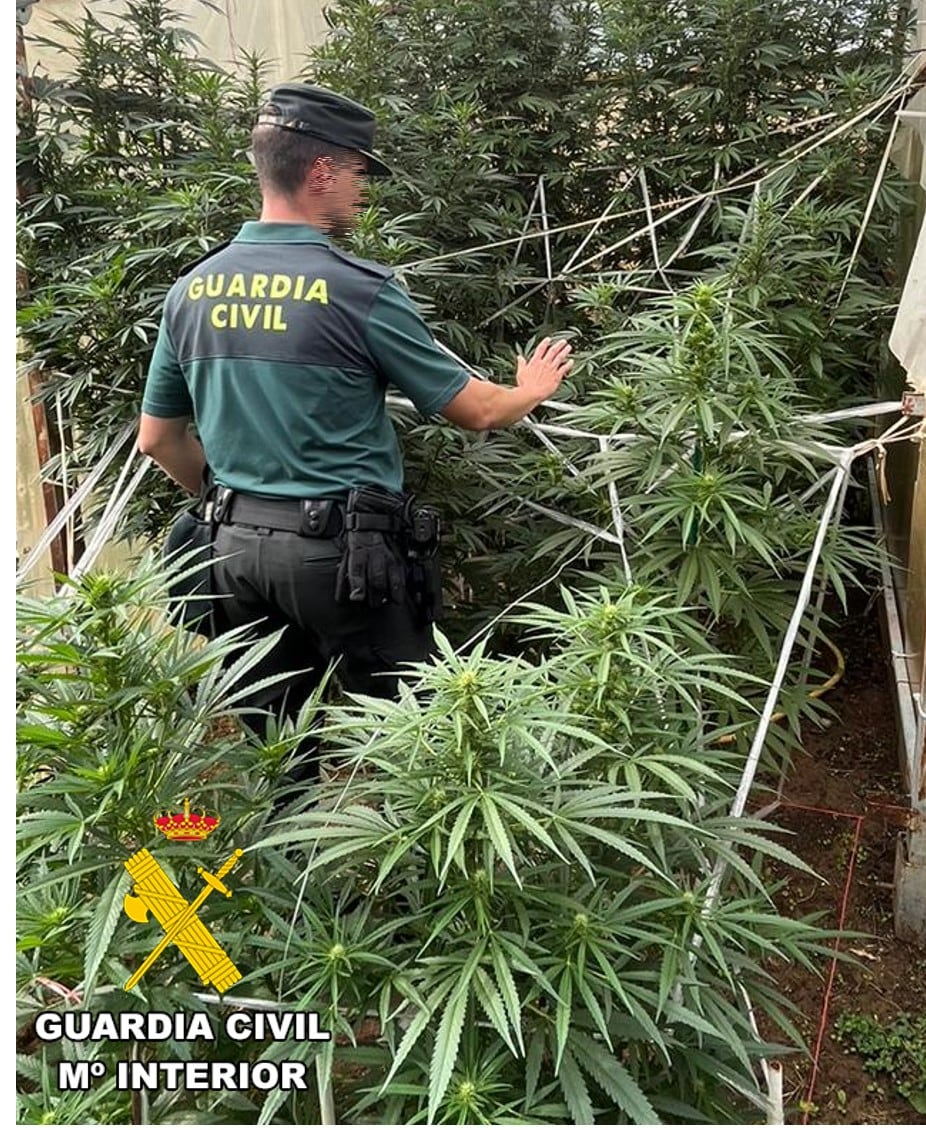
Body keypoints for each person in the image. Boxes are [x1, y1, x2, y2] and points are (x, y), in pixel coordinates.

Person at [137, 82, 573, 784]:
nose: (362, 192)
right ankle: (416, 888)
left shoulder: (192, 288)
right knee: (412, 739)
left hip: (233, 556)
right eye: (360, 173)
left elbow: (157, 439)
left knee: (279, 750)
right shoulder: (357, 288)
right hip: (344, 562)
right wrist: (531, 390)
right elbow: (475, 412)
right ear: (322, 171)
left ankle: (294, 883)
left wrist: (241, 508)